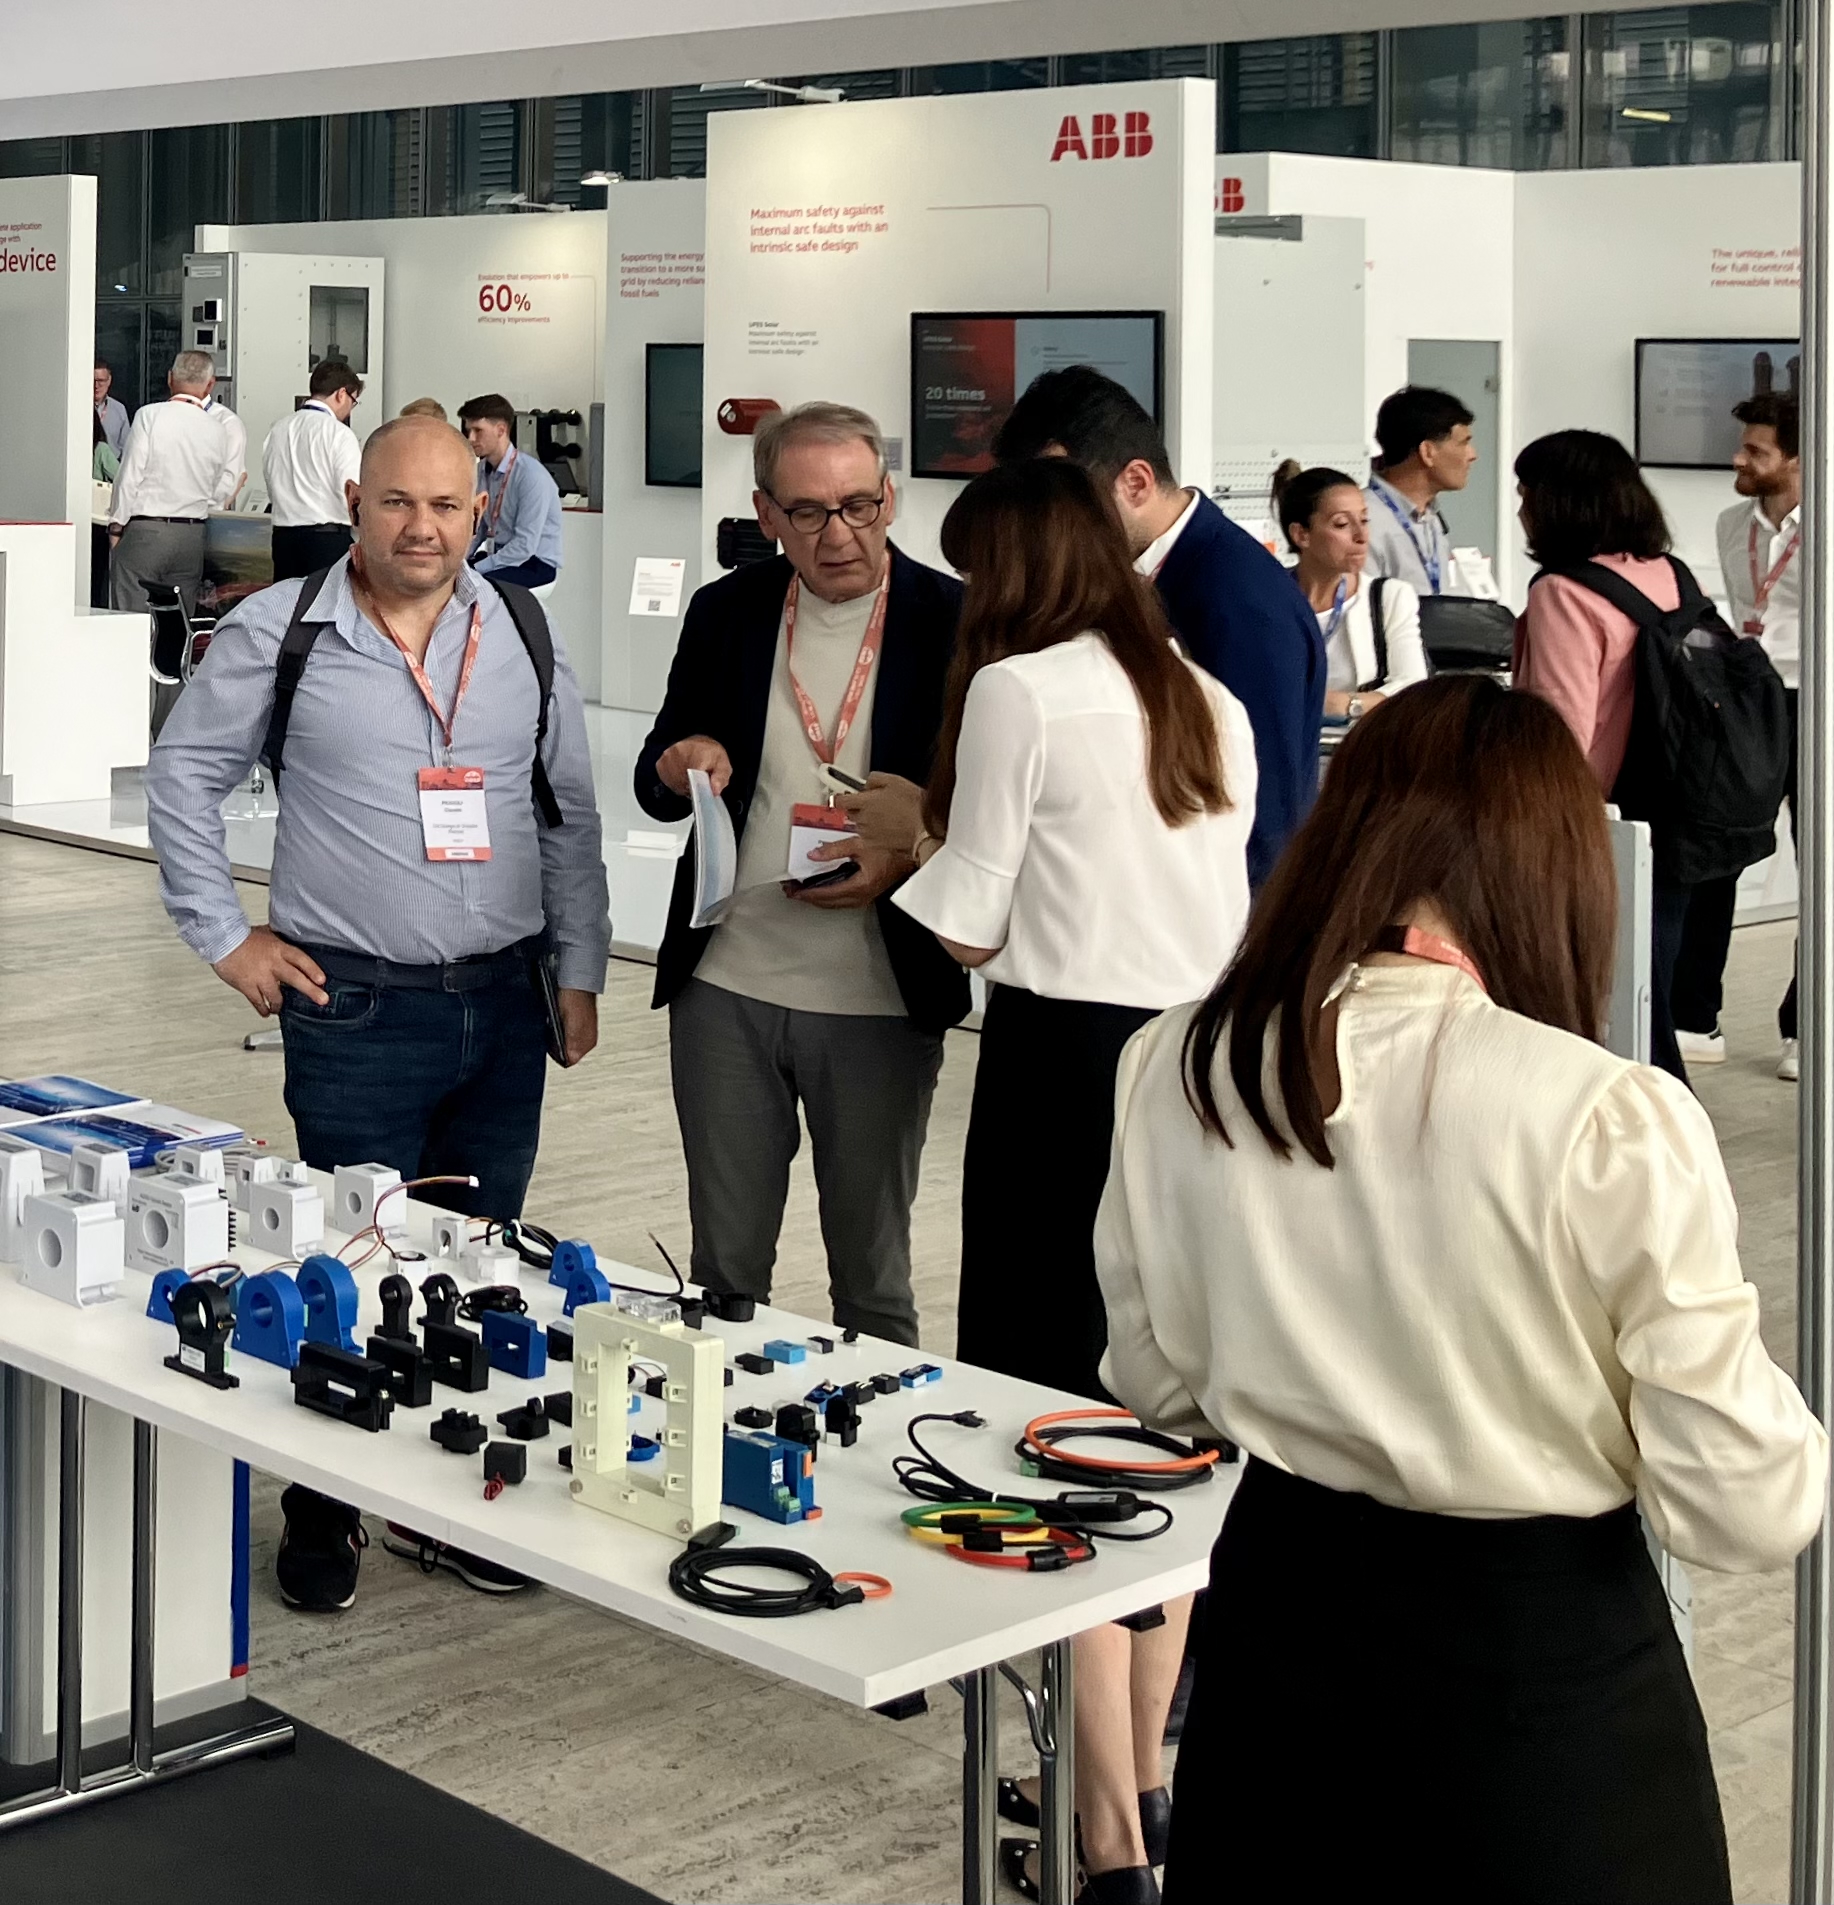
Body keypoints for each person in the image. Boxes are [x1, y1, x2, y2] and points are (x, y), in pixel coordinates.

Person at [1095, 676, 1826, 1905]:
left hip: (1278, 1646)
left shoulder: (1179, 1060)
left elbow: (1155, 1383)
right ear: (1555, 864)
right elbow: (1743, 1506)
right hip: (1538, 1683)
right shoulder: (1602, 1113)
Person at [146, 415, 609, 1604]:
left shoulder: (519, 628)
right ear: (355, 501)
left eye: (447, 506)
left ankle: (452, 1500)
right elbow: (185, 776)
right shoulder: (282, 629)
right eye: (398, 502)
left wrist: (580, 967)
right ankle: (325, 1508)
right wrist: (224, 935)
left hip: (506, 1003)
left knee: (482, 1266)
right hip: (354, 1008)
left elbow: (564, 811)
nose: (422, 528)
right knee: (349, 1267)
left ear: (480, 513)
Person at [893, 458, 1256, 1905]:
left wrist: (908, 838)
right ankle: (1146, 1782)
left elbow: (968, 926)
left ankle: (1102, 1838)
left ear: (1015, 575)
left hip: (1061, 1077)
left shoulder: (1018, 691)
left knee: (1051, 1428)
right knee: (1165, 1429)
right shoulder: (1205, 697)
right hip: (1200, 1080)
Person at [634, 402, 967, 1347]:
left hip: (878, 992)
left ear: (890, 498)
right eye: (810, 512)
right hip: (728, 982)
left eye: (859, 505)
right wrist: (679, 763)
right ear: (767, 514)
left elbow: (991, 812)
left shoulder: (954, 621)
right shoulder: (729, 609)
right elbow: (657, 772)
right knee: (724, 1273)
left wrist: (905, 853)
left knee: (872, 1278)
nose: (839, 534)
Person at [990, 365, 1320, 888]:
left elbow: (1262, 818)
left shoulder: (1238, 599)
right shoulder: (1144, 575)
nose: (1050, 528)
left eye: (1067, 505)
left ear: (1136, 483)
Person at [1511, 428, 1692, 1083]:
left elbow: (1557, 733)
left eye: (1527, 492)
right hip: (1682, 806)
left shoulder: (1563, 593)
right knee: (1653, 990)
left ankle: (1656, 1126)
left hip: (1598, 821)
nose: (1521, 508)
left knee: (1605, 1001)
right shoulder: (1670, 574)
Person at [1673, 390, 1802, 1080]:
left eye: (1756, 450)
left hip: (1817, 703)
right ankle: (1697, 1017)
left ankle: (1806, 1027)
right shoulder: (1731, 523)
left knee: (1822, 869)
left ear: (1798, 459)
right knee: (1714, 853)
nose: (1738, 459)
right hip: (1748, 703)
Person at [1275, 465, 1427, 721]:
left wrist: (1345, 705)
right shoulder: (1268, 600)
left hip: (1361, 741)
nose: (1361, 536)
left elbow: (1413, 690)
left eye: (1364, 520)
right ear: (1301, 535)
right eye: (1342, 524)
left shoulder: (1388, 597)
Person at [108, 349, 240, 617]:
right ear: (210, 385)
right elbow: (222, 487)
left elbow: (130, 475)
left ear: (170, 378)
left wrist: (116, 526)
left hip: (148, 530)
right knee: (178, 620)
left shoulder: (149, 415)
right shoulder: (218, 428)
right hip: (192, 535)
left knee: (129, 617)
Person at [1364, 385, 1476, 597]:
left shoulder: (1430, 517)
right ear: (1427, 452)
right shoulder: (1364, 519)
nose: (1472, 455)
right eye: (1463, 443)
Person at [263, 360, 364, 581]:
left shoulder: (278, 429)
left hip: (283, 538)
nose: (350, 409)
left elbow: (271, 481)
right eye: (353, 401)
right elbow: (352, 492)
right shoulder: (339, 433)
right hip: (326, 541)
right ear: (341, 394)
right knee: (325, 601)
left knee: (288, 601)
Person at [459, 393, 563, 588]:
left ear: (501, 430)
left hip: (534, 563)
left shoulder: (531, 475)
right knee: (453, 579)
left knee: (477, 585)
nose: (471, 438)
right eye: (468, 431)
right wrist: (460, 561)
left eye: (478, 431)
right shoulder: (480, 471)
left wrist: (477, 569)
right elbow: (478, 528)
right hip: (501, 555)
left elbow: (524, 545)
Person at [94, 361, 129, 458]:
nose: (96, 386)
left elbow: (126, 447)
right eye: (93, 380)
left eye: (100, 381)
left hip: (112, 464)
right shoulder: (79, 408)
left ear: (109, 381)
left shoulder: (119, 409)